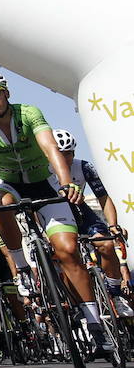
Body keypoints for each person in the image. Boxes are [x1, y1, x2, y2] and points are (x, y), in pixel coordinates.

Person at [0, 68, 113, 350]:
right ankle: (22, 270)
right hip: (9, 182)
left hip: (44, 182)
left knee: (67, 251)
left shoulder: (29, 112)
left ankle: (94, 322)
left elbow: (50, 148)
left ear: (6, 93)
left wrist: (67, 183)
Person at [54, 127, 132, 312]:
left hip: (80, 210)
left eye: (69, 154)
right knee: (62, 258)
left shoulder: (84, 167)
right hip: (56, 214)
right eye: (60, 154)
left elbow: (103, 198)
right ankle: (76, 307)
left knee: (105, 244)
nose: (65, 159)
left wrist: (112, 225)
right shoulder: (43, 170)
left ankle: (115, 292)